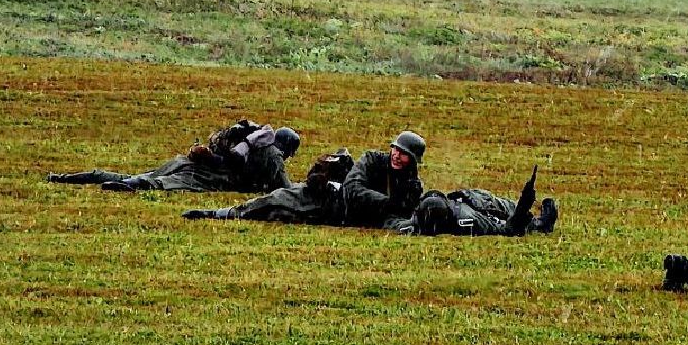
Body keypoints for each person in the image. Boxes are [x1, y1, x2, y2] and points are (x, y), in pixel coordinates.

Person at [184, 130, 426, 226]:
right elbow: (353, 190)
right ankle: (216, 214)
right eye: (395, 150)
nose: (396, 155)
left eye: (403, 155)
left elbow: (398, 216)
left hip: (333, 217)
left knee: (278, 213)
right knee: (272, 201)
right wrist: (387, 203)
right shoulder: (373, 159)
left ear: (413, 161)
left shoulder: (412, 186)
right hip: (325, 200)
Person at [48, 121, 299, 194]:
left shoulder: (250, 140)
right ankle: (126, 187)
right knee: (158, 184)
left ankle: (68, 178)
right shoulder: (272, 155)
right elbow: (284, 188)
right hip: (207, 176)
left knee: (140, 175)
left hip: (189, 161)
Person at [409, 166, 560, 236]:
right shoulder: (468, 221)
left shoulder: (414, 219)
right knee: (502, 208)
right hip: (480, 205)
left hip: (467, 198)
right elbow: (506, 229)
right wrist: (522, 209)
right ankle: (540, 225)